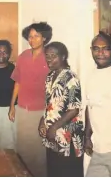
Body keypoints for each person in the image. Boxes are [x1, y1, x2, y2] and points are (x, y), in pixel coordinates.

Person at [9, 21, 52, 177]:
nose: (32, 39)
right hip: (22, 109)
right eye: (30, 36)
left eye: (36, 36)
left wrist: (48, 115)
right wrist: (12, 105)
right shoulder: (23, 56)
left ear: (44, 38)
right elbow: (18, 82)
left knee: (39, 152)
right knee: (22, 149)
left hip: (40, 111)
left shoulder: (49, 57)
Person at [38, 42, 84, 177]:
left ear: (63, 57)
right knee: (54, 170)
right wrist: (42, 121)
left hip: (67, 134)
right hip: (52, 135)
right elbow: (48, 104)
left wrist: (53, 128)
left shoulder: (71, 78)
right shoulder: (50, 76)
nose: (49, 59)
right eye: (47, 56)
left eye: (54, 56)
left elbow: (74, 109)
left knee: (67, 171)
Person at [85, 33, 111, 177]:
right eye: (96, 49)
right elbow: (90, 107)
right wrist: (87, 137)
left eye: (105, 49)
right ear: (91, 50)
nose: (100, 53)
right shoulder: (91, 75)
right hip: (98, 148)